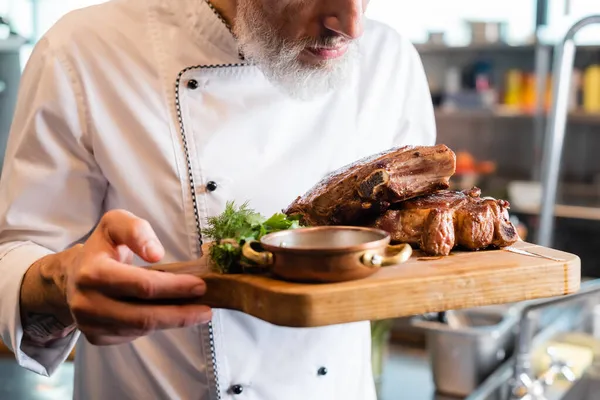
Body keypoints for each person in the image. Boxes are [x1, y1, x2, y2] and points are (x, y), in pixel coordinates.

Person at [0, 0, 436, 398]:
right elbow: (16, 255)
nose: (352, 25)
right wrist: (61, 281)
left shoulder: (389, 63)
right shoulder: (87, 50)